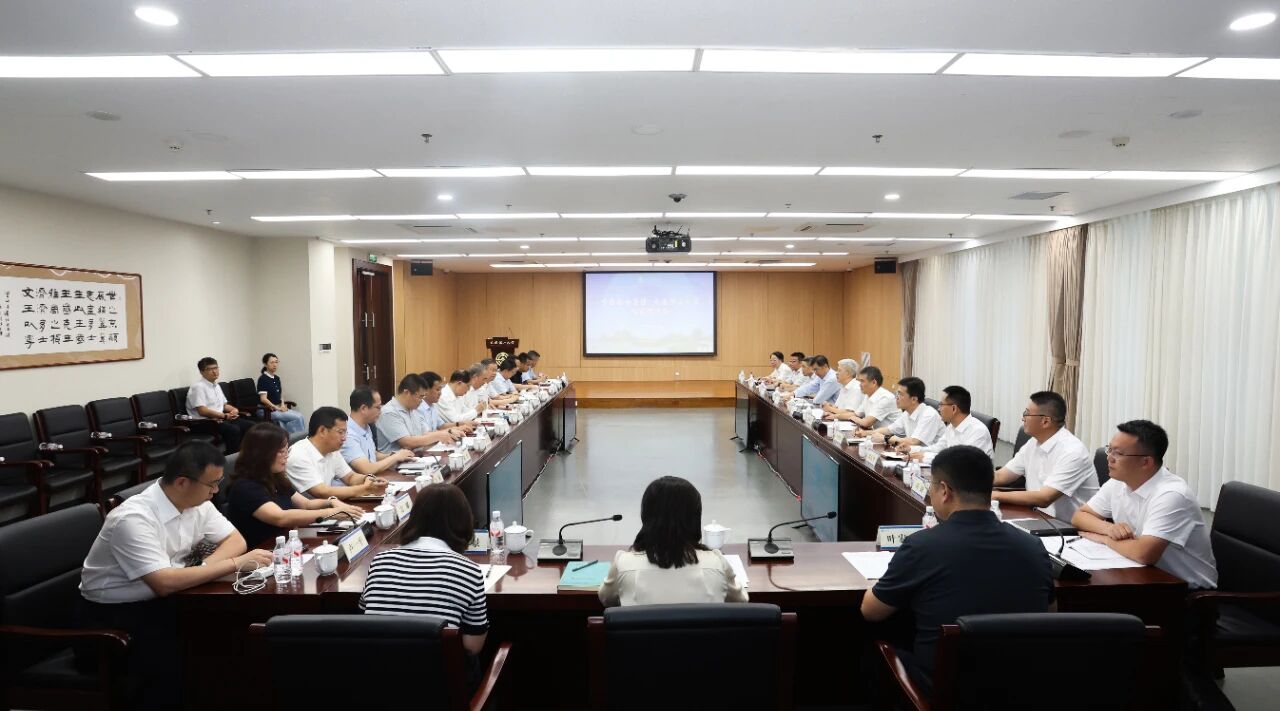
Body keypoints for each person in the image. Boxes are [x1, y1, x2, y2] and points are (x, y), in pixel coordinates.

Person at [78, 441, 273, 709]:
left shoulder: (196, 502)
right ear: (182, 482)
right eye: (212, 484)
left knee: (231, 632)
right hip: (112, 620)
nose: (216, 491)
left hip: (167, 600)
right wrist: (232, 565)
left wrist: (201, 570)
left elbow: (235, 540)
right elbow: (163, 582)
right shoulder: (133, 518)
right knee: (191, 653)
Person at [861, 445, 1054, 692]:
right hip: (1021, 689)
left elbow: (871, 611)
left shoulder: (922, 546)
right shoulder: (1033, 546)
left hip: (945, 690)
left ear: (944, 491)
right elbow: (1050, 612)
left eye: (931, 486)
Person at [1071, 421, 1217, 589]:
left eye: (1117, 453)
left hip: (1185, 592)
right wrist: (1109, 529)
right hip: (1142, 578)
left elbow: (1143, 554)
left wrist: (1104, 539)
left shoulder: (1172, 495)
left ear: (1145, 462)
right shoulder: (1119, 482)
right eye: (1109, 449)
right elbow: (1079, 516)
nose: (1109, 458)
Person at [360, 483, 489, 658]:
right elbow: (472, 647)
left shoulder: (380, 561)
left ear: (414, 518)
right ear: (464, 522)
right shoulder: (469, 571)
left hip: (377, 671)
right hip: (438, 674)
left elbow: (364, 618)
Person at [599, 476, 748, 607]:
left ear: (647, 516)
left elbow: (606, 599)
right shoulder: (717, 563)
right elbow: (741, 601)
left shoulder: (624, 563)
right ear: (694, 518)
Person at [226, 423, 364, 547]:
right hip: (263, 553)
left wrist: (331, 502)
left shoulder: (275, 477)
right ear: (261, 454)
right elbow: (281, 517)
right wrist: (330, 513)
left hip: (288, 544)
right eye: (281, 451)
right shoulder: (244, 487)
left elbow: (306, 504)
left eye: (287, 450)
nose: (286, 456)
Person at [992, 391, 1098, 521]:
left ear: (1045, 421)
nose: (1023, 418)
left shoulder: (1073, 452)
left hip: (1068, 527)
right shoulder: (1033, 443)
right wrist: (970, 482)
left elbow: (1044, 498)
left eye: (1027, 414)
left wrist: (995, 495)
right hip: (1037, 517)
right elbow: (1001, 476)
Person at [285, 407, 387, 500]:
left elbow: (350, 477)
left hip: (329, 506)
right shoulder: (298, 455)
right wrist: (366, 489)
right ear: (322, 431)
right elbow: (322, 492)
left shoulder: (332, 450)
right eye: (340, 432)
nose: (344, 438)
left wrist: (368, 479)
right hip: (307, 512)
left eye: (345, 432)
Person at [379, 374, 462, 454]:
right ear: (407, 392)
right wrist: (438, 436)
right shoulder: (389, 412)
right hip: (396, 461)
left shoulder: (412, 410)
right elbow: (407, 442)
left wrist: (449, 432)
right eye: (420, 397)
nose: (422, 401)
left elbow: (425, 433)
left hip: (415, 456)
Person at [185, 356, 254, 453]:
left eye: (216, 368)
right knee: (233, 430)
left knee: (250, 426)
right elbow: (202, 411)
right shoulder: (198, 387)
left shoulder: (216, 386)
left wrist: (234, 410)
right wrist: (224, 416)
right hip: (204, 422)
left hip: (220, 419)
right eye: (210, 369)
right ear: (202, 372)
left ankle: (244, 454)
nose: (214, 371)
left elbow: (224, 405)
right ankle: (231, 458)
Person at [341, 386, 415, 476]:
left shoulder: (366, 426)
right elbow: (367, 469)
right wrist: (395, 457)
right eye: (378, 407)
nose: (381, 411)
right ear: (363, 408)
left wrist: (394, 455)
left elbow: (373, 455)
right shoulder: (347, 435)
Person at [909, 385, 994, 463]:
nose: (939, 409)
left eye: (941, 405)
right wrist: (911, 449)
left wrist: (925, 457)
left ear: (954, 408)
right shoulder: (951, 427)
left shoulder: (978, 431)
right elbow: (938, 449)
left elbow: (964, 462)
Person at [869, 376, 944, 448]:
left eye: (900, 394)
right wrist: (867, 433)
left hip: (934, 455)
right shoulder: (907, 413)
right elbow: (889, 430)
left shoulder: (929, 415)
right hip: (915, 453)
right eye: (897, 393)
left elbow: (914, 442)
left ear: (914, 399)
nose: (896, 397)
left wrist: (886, 438)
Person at [256, 352, 305, 435]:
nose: (275, 365)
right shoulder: (263, 379)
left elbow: (280, 394)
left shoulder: (276, 378)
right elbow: (263, 399)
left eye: (276, 362)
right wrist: (277, 408)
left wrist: (282, 405)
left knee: (300, 416)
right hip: (266, 410)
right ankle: (295, 439)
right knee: (298, 417)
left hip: (277, 408)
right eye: (272, 362)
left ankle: (292, 439)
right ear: (265, 364)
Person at [843, 366, 900, 430]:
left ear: (874, 383)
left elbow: (866, 423)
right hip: (876, 433)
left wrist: (854, 418)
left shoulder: (885, 398)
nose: (859, 384)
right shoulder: (868, 395)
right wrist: (835, 416)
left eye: (862, 381)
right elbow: (856, 414)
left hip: (890, 435)